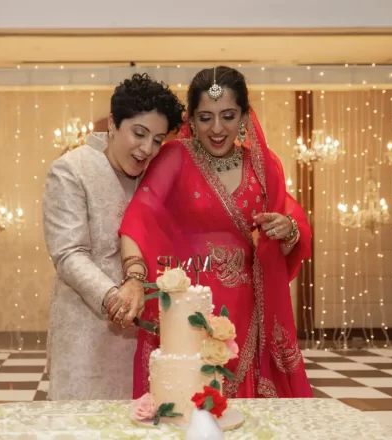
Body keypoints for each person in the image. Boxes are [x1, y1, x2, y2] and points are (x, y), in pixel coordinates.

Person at [113, 66, 313, 399]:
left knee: (241, 417)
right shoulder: (175, 157)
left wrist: (288, 229)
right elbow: (138, 217)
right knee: (187, 403)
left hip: (247, 313)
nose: (217, 129)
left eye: (228, 116)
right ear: (191, 119)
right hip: (188, 311)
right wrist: (134, 276)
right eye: (205, 117)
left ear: (245, 116)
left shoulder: (263, 166)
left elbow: (292, 218)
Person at [43, 73, 185, 400]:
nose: (147, 148)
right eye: (139, 133)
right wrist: (114, 298)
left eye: (158, 139)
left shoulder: (156, 174)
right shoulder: (71, 169)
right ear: (113, 122)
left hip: (146, 337)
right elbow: (68, 254)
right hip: (86, 332)